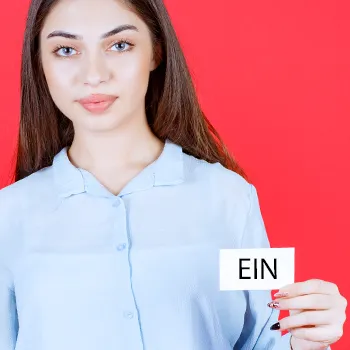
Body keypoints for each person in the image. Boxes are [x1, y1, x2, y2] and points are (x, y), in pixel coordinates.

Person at [0, 0, 347, 349]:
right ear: (39, 63)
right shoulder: (9, 215)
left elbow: (264, 335)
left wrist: (308, 337)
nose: (94, 74)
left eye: (119, 45)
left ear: (156, 52)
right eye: (66, 49)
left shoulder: (229, 197)